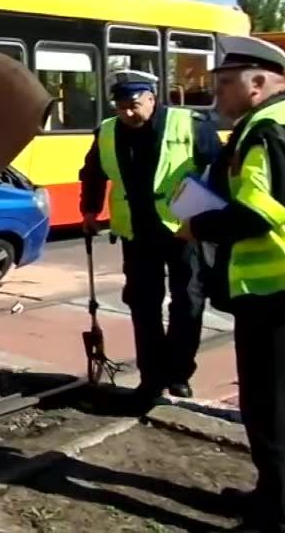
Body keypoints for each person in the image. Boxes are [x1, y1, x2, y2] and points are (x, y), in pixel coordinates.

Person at [180, 35, 285, 533]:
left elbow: (262, 212)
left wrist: (199, 225)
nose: (217, 94)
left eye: (224, 84)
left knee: (272, 405)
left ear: (258, 85)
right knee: (264, 401)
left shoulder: (270, 128)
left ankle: (281, 519)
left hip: (280, 284)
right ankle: (268, 496)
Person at [78, 69, 220, 404]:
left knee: (188, 303)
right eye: (121, 106)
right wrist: (89, 211)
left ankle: (179, 372)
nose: (127, 112)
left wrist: (208, 220)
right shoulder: (108, 132)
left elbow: (218, 171)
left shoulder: (190, 125)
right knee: (143, 305)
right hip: (136, 232)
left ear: (152, 99)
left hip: (184, 228)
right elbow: (93, 173)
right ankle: (151, 376)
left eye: (134, 104)